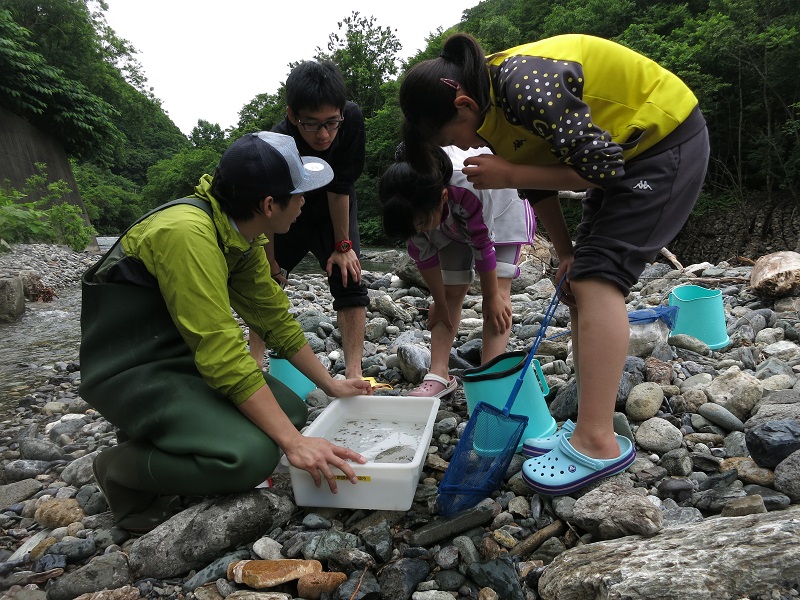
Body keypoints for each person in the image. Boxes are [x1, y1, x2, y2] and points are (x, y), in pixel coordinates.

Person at [399, 33, 709, 495]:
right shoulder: (492, 109)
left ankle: (597, 441)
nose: (462, 148)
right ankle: (589, 423)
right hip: (622, 159)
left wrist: (511, 174)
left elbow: (602, 171)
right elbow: (541, 185)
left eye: (452, 139)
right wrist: (565, 252)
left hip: (662, 146)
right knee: (576, 281)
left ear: (463, 106)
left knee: (598, 281)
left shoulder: (524, 84)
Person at [79, 131, 373, 533]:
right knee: (249, 457)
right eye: (300, 193)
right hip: (129, 370)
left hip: (181, 357)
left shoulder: (240, 233)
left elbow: (274, 320)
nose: (306, 202)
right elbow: (220, 352)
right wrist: (293, 443)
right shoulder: (187, 235)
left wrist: (330, 383)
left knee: (290, 410)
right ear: (269, 205)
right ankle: (117, 468)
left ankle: (162, 435)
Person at [379, 144, 535, 397]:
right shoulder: (405, 201)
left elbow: (483, 245)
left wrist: (491, 296)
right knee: (451, 292)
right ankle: (439, 374)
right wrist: (439, 301)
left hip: (502, 204)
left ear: (441, 199)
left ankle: (489, 379)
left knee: (498, 296)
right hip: (445, 213)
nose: (418, 230)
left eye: (420, 223)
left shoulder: (467, 183)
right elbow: (425, 257)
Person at [248, 60, 369, 382]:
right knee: (265, 284)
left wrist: (343, 246)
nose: (325, 134)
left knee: (349, 279)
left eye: (332, 122)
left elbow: (341, 185)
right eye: (312, 124)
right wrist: (272, 263)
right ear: (293, 116)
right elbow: (268, 210)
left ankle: (354, 372)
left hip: (334, 207)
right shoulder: (276, 141)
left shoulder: (352, 118)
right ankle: (254, 365)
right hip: (288, 213)